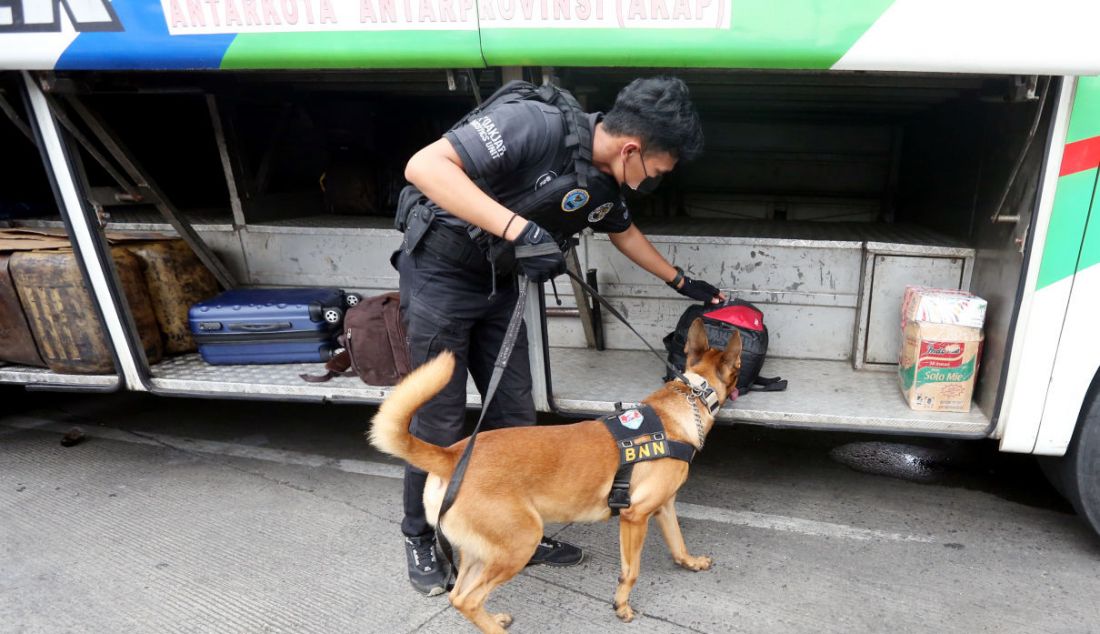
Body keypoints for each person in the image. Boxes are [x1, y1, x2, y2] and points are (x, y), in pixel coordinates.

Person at [392, 76, 725, 596]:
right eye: (655, 173)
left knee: (514, 409)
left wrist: (680, 281)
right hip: (443, 272)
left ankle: (520, 525)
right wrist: (519, 230)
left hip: (502, 280)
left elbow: (624, 232)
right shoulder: (532, 125)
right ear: (632, 148)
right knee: (439, 418)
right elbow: (424, 167)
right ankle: (419, 534)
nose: (649, 183)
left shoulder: (604, 180)